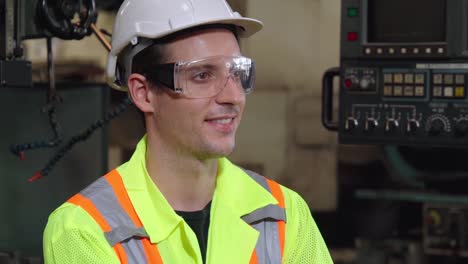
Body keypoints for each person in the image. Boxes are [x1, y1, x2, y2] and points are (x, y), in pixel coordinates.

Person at [43, 0, 333, 263]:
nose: (233, 96)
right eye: (202, 75)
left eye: (238, 73)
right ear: (143, 93)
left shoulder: (284, 215)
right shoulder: (85, 229)